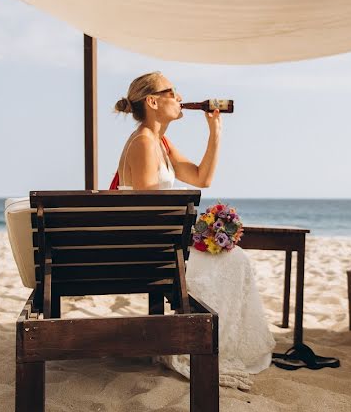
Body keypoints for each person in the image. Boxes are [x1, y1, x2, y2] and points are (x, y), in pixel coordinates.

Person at [113, 72, 275, 390]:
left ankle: (208, 342)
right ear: (152, 101)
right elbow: (149, 214)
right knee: (234, 261)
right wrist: (196, 236)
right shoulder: (145, 143)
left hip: (161, 244)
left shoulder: (159, 141)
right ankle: (199, 346)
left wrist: (215, 131)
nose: (179, 96)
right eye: (172, 91)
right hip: (150, 251)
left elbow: (202, 178)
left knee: (234, 259)